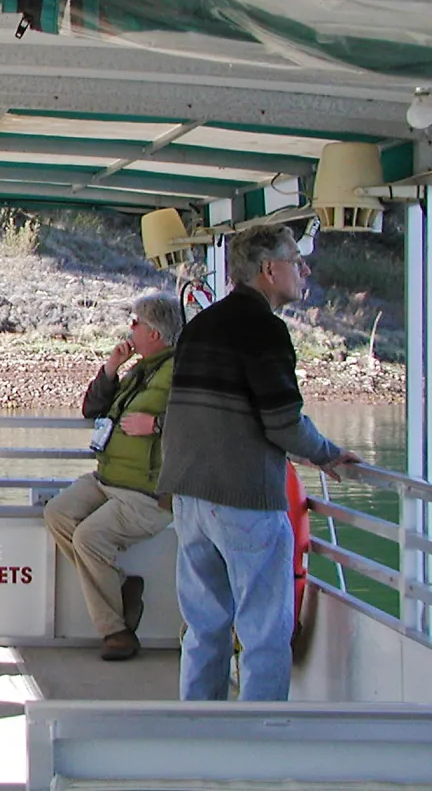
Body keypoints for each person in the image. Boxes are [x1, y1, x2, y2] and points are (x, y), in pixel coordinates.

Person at [158, 224, 360, 701]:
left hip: (189, 496)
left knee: (204, 625)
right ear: (269, 269)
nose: (304, 271)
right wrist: (327, 454)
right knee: (265, 631)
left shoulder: (201, 325)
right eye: (296, 261)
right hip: (243, 498)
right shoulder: (265, 329)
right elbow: (283, 421)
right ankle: (261, 733)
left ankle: (198, 724)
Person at [44, 292, 183, 662]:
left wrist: (157, 424)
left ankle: (115, 631)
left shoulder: (182, 371)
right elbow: (92, 409)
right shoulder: (140, 370)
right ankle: (121, 587)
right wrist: (111, 368)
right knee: (57, 513)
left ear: (154, 333)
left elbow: (205, 424)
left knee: (89, 537)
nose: (129, 330)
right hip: (107, 478)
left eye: (135, 323)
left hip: (148, 492)